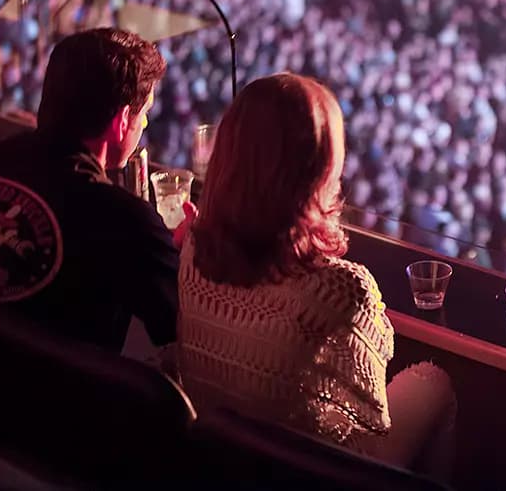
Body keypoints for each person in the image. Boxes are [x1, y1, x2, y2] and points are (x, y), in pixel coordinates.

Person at [177, 73, 456, 474]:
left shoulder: (193, 245)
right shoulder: (343, 289)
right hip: (313, 475)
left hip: (221, 460)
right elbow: (372, 425)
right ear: (318, 167)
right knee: (434, 384)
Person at [0, 28, 189, 353]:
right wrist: (183, 255)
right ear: (123, 119)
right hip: (56, 401)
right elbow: (183, 334)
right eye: (145, 114)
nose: (145, 125)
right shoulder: (125, 221)